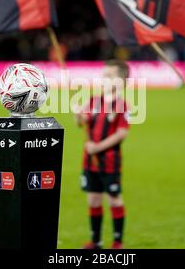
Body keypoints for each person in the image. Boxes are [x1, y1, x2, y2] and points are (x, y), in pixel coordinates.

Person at [74, 59, 131, 249]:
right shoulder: (93, 100)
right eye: (104, 76)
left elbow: (122, 134)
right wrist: (77, 115)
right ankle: (96, 241)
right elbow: (82, 122)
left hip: (109, 161)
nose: (104, 80)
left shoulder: (122, 105)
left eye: (109, 76)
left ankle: (117, 242)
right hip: (89, 161)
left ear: (121, 81)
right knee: (93, 198)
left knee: (114, 199)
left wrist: (98, 148)